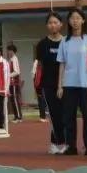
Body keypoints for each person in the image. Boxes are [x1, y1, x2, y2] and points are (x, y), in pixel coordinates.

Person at [57, 9, 87, 156]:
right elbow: (62, 64)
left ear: (83, 20)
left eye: (78, 18)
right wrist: (60, 85)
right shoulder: (64, 41)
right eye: (72, 18)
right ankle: (71, 146)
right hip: (69, 84)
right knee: (69, 117)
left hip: (85, 84)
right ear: (69, 22)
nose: (75, 21)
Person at [34, 13, 65, 154]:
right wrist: (37, 86)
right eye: (50, 23)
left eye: (56, 22)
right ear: (47, 26)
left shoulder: (66, 42)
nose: (53, 25)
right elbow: (39, 65)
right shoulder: (42, 44)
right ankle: (55, 143)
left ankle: (63, 142)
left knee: (64, 114)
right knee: (53, 114)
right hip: (48, 84)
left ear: (61, 24)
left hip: (66, 84)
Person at [5, 43, 23, 122]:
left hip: (14, 83)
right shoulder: (11, 59)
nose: (8, 52)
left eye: (10, 51)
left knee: (15, 99)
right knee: (13, 99)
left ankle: (19, 117)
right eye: (8, 50)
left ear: (13, 51)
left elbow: (17, 71)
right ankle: (17, 116)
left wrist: (8, 75)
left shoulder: (14, 59)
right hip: (12, 83)